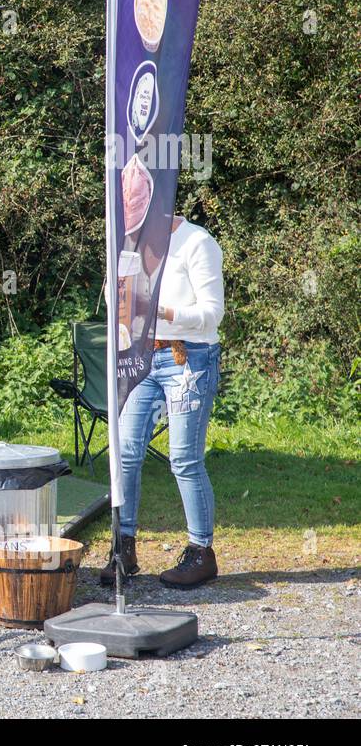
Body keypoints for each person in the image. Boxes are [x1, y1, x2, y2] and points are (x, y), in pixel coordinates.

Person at [101, 213, 225, 589]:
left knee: (185, 458)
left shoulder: (197, 242)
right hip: (140, 356)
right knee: (125, 451)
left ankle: (201, 552)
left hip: (188, 356)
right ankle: (124, 547)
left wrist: (160, 311)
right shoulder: (130, 245)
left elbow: (212, 313)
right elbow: (112, 297)